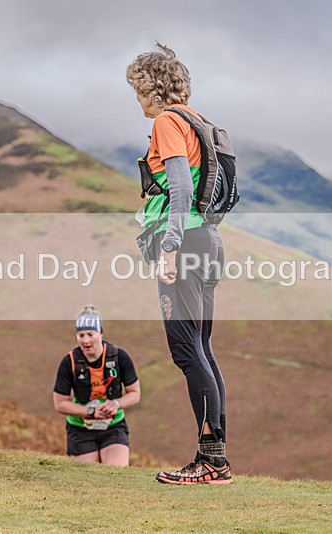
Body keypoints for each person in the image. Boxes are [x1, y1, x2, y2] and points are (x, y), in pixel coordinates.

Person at [126, 43, 231, 484]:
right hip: (206, 240)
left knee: (187, 350)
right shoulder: (198, 121)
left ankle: (212, 461)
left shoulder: (168, 121)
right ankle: (215, 457)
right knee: (202, 347)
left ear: (152, 88)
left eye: (137, 89)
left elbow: (183, 190)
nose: (137, 99)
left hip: (184, 244)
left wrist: (168, 250)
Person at [52, 305, 141, 466]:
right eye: (81, 335)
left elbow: (135, 393)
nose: (85, 340)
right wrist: (90, 412)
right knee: (87, 476)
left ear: (100, 333)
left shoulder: (119, 356)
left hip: (113, 426)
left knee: (116, 473)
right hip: (80, 428)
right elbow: (60, 404)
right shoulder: (69, 362)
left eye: (90, 334)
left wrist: (115, 404)